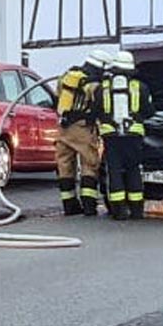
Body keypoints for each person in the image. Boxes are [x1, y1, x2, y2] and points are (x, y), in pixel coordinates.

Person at [99, 51, 154, 221]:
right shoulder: (140, 87)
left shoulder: (103, 88)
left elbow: (96, 111)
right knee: (133, 170)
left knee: (114, 171)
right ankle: (137, 211)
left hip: (111, 136)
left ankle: (119, 211)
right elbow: (150, 112)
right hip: (133, 136)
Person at [53, 50, 109, 216]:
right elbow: (100, 105)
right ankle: (89, 205)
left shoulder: (66, 76)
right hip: (83, 128)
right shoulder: (92, 84)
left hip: (63, 127)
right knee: (89, 165)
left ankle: (69, 205)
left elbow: (57, 97)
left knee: (64, 165)